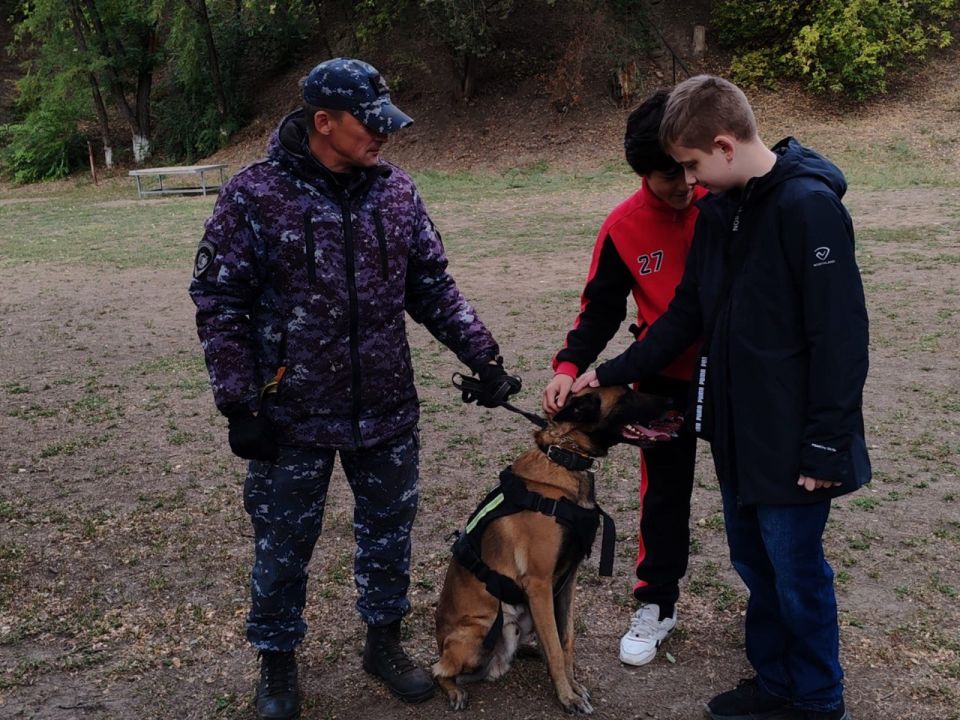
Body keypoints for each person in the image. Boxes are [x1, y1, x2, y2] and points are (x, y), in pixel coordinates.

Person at [189, 57, 520, 720]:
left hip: (385, 408)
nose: (383, 136)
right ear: (323, 121)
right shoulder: (255, 195)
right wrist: (239, 403)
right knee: (283, 544)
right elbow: (220, 299)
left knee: (388, 535)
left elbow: (431, 286)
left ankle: (383, 644)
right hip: (291, 414)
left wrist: (482, 357)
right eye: (370, 125)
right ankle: (276, 663)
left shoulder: (397, 192)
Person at [572, 75, 870, 720]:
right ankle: (776, 683)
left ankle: (818, 700)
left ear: (724, 146)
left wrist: (827, 441)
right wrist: (607, 373)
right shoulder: (721, 213)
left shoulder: (807, 207)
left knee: (795, 570)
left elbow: (841, 337)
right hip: (736, 424)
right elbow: (685, 315)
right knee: (754, 561)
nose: (688, 182)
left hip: (793, 435)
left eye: (690, 165)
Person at [542, 89, 706, 667]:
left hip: (736, 376)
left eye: (688, 168)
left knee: (754, 496)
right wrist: (568, 368)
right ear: (642, 172)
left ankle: (771, 609)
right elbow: (600, 311)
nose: (684, 185)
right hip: (661, 381)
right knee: (663, 497)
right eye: (668, 175)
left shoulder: (726, 203)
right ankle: (656, 603)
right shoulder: (623, 226)